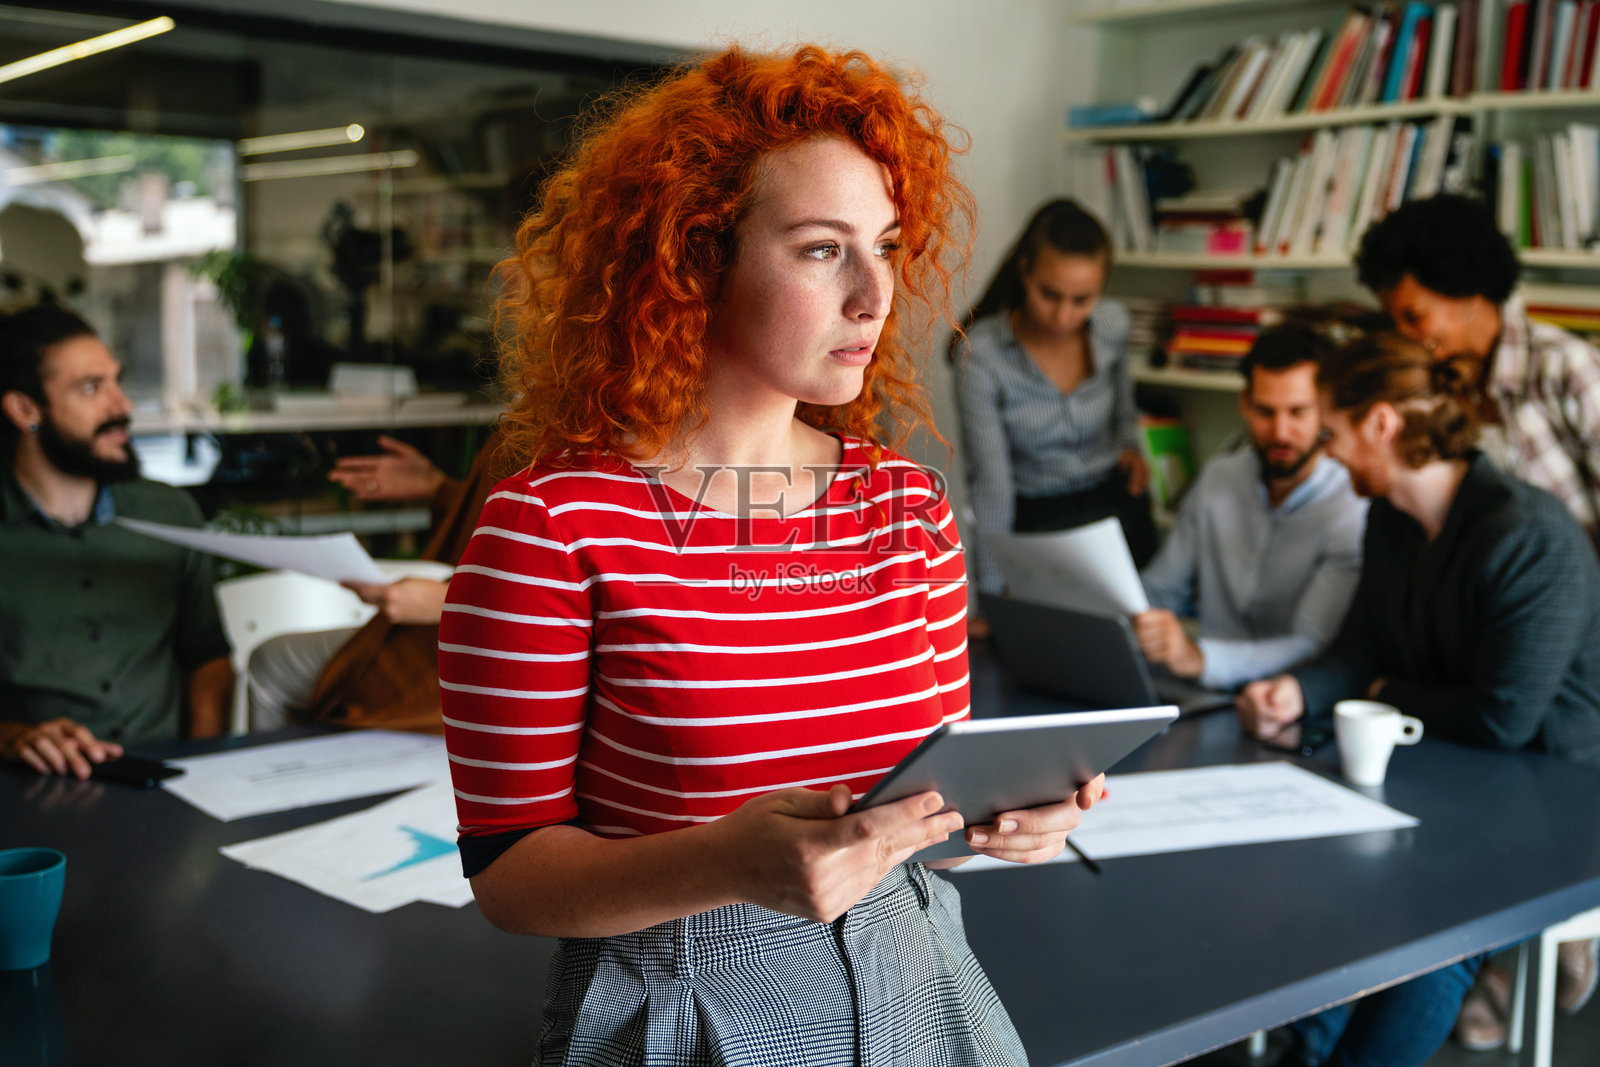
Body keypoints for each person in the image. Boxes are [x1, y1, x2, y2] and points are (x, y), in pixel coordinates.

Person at [437, 45, 1106, 1065]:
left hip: (920, 973)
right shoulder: (549, 525)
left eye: (884, 245)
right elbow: (507, 876)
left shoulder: (910, 504)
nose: (875, 295)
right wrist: (723, 863)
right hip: (678, 1000)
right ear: (696, 256)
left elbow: (925, 789)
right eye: (820, 249)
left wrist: (1016, 819)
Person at [1235, 332, 1600, 1067]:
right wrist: (1296, 690)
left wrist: (1377, 691)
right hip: (1448, 770)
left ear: (1382, 423)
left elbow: (1502, 720)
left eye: (1332, 431)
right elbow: (1360, 651)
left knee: (1438, 930)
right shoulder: (1392, 519)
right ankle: (1307, 1049)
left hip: (1557, 790)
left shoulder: (1528, 535)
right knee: (1322, 863)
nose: (1325, 452)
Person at [0, 304, 231, 777]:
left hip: (164, 780)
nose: (121, 405)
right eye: (91, 388)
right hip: (26, 793)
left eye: (116, 381)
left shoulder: (171, 514)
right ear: (26, 410)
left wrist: (203, 771)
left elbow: (208, 658)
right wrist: (10, 736)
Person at [1355, 193, 1600, 548]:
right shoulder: (1423, 383)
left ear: (1469, 293)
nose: (1402, 336)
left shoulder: (1567, 368)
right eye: (1393, 321)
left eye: (1413, 317)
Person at [1135, 323, 1367, 690]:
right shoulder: (1218, 478)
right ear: (1244, 404)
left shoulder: (1351, 505)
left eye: (1298, 412)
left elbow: (1310, 642)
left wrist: (1199, 658)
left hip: (1288, 701)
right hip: (1201, 691)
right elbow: (1161, 589)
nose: (1280, 432)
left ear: (1326, 410)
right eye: (1265, 411)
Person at [955, 198, 1154, 597]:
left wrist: (1131, 447)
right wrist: (993, 598)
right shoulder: (982, 354)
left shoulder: (1113, 326)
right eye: (1050, 294)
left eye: (1082, 300)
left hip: (1117, 509)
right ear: (1025, 272)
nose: (1063, 317)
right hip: (1039, 524)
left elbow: (1124, 409)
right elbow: (992, 484)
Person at [245, 432, 502, 732]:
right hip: (462, 633)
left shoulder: (553, 427)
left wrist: (448, 601)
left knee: (272, 664)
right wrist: (438, 487)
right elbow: (497, 517)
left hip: (484, 656)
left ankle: (277, 775)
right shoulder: (535, 419)